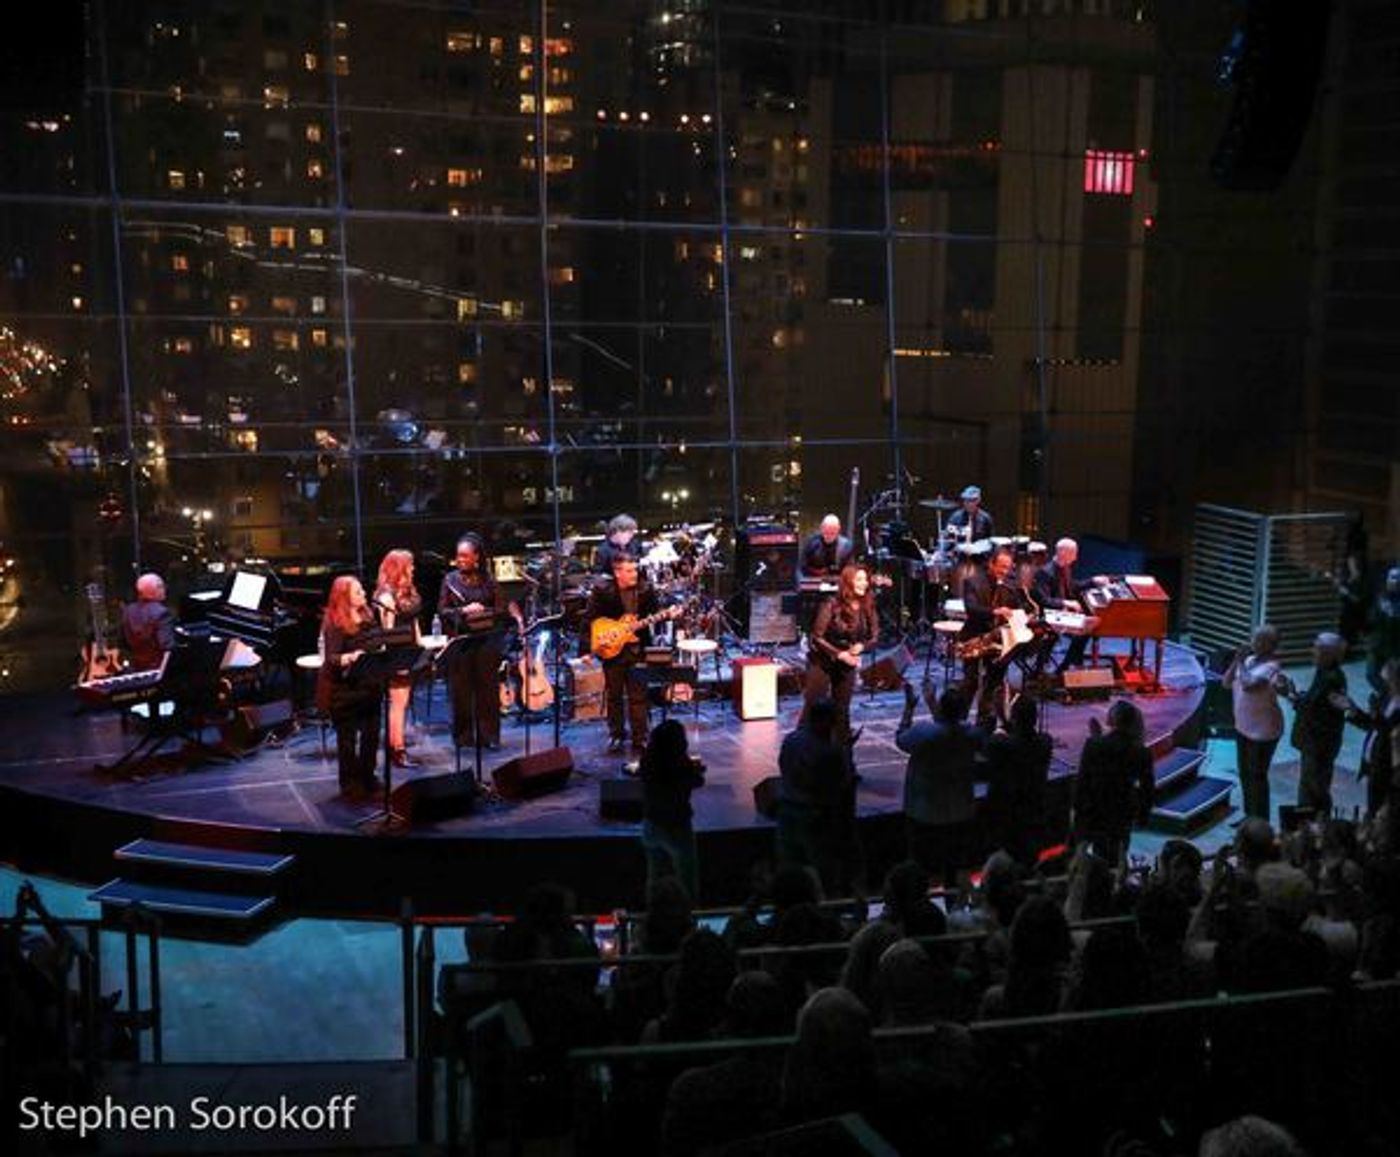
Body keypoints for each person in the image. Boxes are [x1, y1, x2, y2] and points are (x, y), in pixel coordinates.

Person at [898, 683, 982, 885]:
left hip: (925, 814)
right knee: (955, 869)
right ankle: (955, 908)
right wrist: (932, 703)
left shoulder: (924, 733)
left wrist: (909, 708)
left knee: (920, 869)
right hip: (960, 813)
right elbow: (952, 726)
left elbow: (901, 739)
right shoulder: (972, 735)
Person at [777, 697, 856, 894]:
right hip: (813, 815)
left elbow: (782, 765)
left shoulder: (791, 739)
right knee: (821, 869)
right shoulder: (829, 751)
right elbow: (842, 783)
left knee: (789, 866)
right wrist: (846, 753)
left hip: (787, 809)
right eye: (833, 720)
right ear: (826, 721)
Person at [586, 554, 661, 755]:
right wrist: (587, 650)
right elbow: (590, 620)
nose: (634, 574)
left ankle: (640, 738)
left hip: (638, 649)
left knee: (639, 696)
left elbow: (655, 614)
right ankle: (616, 735)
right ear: (617, 572)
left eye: (635, 569)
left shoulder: (646, 589)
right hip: (612, 651)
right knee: (615, 696)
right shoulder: (603, 591)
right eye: (629, 570)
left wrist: (663, 616)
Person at [436, 533, 505, 751]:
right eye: (458, 556)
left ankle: (489, 736)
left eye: (466, 556)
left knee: (488, 691)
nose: (461, 560)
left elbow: (501, 609)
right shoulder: (450, 580)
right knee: (461, 692)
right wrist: (463, 611)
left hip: (485, 642)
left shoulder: (489, 580)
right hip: (462, 642)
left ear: (477, 556)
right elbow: (442, 610)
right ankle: (463, 737)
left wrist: (484, 610)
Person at [1071, 699, 1155, 866]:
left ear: (1112, 719)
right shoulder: (1141, 752)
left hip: (1095, 807)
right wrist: (1143, 816)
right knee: (1117, 854)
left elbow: (1083, 780)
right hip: (1122, 810)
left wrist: (1078, 809)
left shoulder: (1094, 744)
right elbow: (1148, 788)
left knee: (1097, 854)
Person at [320, 574, 382, 799]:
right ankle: (350, 782)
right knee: (347, 740)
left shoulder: (369, 614)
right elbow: (332, 659)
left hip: (371, 686)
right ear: (345, 597)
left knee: (371, 736)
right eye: (358, 592)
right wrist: (351, 657)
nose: (364, 594)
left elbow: (376, 643)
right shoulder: (335, 623)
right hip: (346, 691)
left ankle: (368, 776)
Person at [1222, 624, 1292, 822]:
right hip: (1243, 726)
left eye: (1257, 639)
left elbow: (1249, 685)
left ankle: (1260, 821)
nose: (1252, 641)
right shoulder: (1250, 660)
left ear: (1268, 644)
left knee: (1257, 777)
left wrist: (1240, 662)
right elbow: (1226, 683)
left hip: (1263, 732)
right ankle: (1248, 816)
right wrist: (1237, 662)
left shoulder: (1272, 667)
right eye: (1253, 637)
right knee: (1245, 774)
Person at [804, 563, 877, 744]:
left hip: (847, 661)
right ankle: (804, 748)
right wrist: (839, 654)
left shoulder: (867, 604)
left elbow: (874, 636)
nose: (864, 583)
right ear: (848, 582)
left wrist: (862, 646)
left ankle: (843, 755)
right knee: (814, 706)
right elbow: (817, 637)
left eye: (866, 579)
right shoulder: (831, 604)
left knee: (842, 709)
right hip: (823, 659)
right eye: (859, 579)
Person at [961, 546, 1028, 728]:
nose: (1005, 572)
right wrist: (995, 612)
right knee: (970, 682)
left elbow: (1019, 607)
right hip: (976, 636)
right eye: (1001, 567)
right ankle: (958, 722)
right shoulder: (973, 581)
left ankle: (983, 722)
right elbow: (971, 609)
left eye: (1008, 567)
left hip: (999, 640)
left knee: (993, 683)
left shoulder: (1010, 585)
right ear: (991, 564)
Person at [982, 694, 1053, 866]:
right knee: (1029, 862)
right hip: (1033, 813)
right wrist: (1005, 719)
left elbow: (988, 741)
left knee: (1002, 865)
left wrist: (998, 719)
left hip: (1006, 817)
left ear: (1014, 719)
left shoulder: (1000, 745)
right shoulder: (1045, 742)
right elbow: (1021, 735)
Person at [639, 719, 705, 899]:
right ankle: (689, 917)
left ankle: (654, 913)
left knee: (655, 877)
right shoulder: (679, 763)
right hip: (676, 825)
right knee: (686, 879)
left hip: (651, 823)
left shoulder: (647, 760)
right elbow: (697, 781)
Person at [1288, 630, 1353, 816]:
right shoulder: (1323, 672)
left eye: (1317, 649)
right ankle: (1307, 822)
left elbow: (1315, 708)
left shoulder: (1331, 679)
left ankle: (1317, 825)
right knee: (1309, 786)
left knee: (1315, 788)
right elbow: (1314, 702)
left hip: (1319, 745)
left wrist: (1294, 698)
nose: (1312, 652)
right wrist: (1298, 697)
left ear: (1328, 655)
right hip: (1314, 742)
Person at [372, 549, 422, 767]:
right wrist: (393, 660)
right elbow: (387, 631)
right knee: (398, 702)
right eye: (409, 565)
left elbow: (414, 621)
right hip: (397, 652)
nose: (413, 568)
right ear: (399, 568)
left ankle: (398, 746)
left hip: (410, 650)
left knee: (403, 700)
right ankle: (397, 750)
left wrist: (420, 647)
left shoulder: (408, 591)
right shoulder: (386, 596)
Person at [1032, 537, 1094, 672]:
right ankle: (1064, 668)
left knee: (1089, 626)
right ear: (1063, 553)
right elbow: (1044, 601)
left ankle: (1068, 666)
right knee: (1083, 631)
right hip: (1047, 617)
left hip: (1060, 613)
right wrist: (1066, 602)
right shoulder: (1045, 573)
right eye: (1074, 553)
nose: (1076, 558)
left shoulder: (1065, 568)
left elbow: (1072, 586)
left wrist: (1092, 581)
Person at [120, 573, 175, 672]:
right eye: (160, 586)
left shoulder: (128, 611)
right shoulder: (162, 613)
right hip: (160, 670)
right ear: (152, 591)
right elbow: (167, 647)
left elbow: (123, 642)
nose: (164, 589)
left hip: (136, 668)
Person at [1367, 564, 1400, 697]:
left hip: (1396, 647)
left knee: (1395, 677)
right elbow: (1373, 617)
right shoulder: (1381, 598)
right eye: (1391, 581)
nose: (1393, 584)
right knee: (1371, 674)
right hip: (1378, 644)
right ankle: (1389, 696)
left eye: (1396, 582)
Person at [800, 514, 853, 579]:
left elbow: (849, 571)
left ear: (838, 529)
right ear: (822, 528)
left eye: (832, 533)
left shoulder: (846, 546)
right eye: (826, 532)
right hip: (814, 580)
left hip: (838, 581)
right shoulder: (811, 543)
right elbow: (802, 567)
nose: (829, 536)